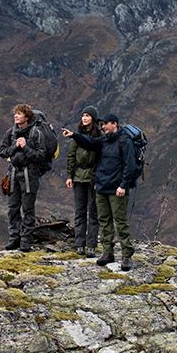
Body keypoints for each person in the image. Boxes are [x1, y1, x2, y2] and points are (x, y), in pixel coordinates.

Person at [72, 111, 142, 271]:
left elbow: (129, 166)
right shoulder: (103, 141)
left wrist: (123, 185)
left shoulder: (125, 142)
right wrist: (74, 136)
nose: (102, 127)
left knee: (120, 222)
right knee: (104, 221)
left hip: (117, 189)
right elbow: (89, 143)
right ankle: (107, 252)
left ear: (114, 124)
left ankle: (126, 255)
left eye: (105, 124)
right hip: (102, 187)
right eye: (101, 124)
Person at [0, 103, 53, 251]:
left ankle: (25, 241)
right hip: (14, 174)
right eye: (15, 113)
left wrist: (25, 147)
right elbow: (2, 152)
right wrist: (15, 146)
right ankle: (14, 238)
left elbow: (40, 156)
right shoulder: (11, 133)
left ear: (27, 117)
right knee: (12, 208)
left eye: (19, 114)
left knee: (28, 209)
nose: (16, 116)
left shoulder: (36, 133)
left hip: (30, 175)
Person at [61, 106, 102, 258]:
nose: (84, 118)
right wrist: (69, 176)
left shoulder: (99, 135)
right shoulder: (76, 136)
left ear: (93, 118)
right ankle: (80, 244)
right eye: (83, 115)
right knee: (80, 211)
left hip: (93, 177)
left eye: (87, 115)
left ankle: (91, 245)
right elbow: (71, 156)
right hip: (78, 177)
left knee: (93, 211)